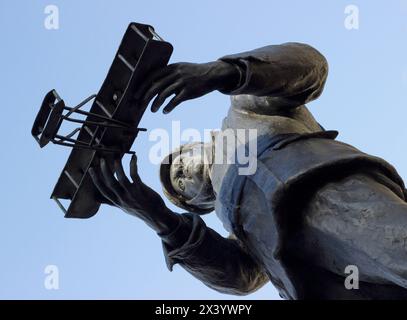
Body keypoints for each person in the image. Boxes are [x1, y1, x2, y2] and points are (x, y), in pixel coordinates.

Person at [89, 43, 407, 299]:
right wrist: (160, 218)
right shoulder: (240, 227)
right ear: (202, 206)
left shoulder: (245, 112)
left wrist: (224, 73)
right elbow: (242, 278)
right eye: (180, 187)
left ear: (199, 143)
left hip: (328, 195)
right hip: (310, 282)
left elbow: (312, 67)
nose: (182, 176)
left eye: (179, 163)